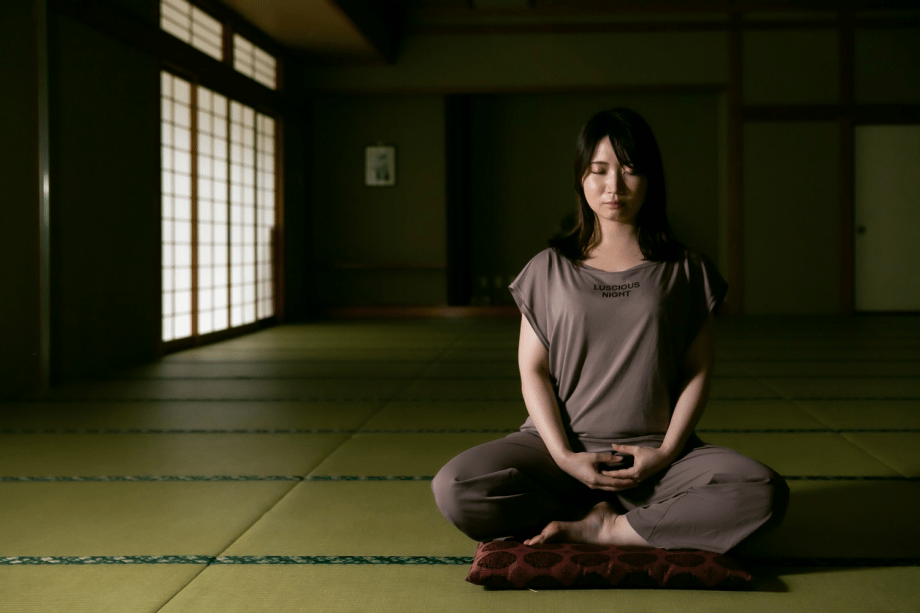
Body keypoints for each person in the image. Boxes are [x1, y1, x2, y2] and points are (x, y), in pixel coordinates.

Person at [432, 108, 789, 554]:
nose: (613, 186)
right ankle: (622, 517)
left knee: (762, 490)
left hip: (653, 458)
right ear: (581, 177)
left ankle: (609, 528)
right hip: (557, 454)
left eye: (630, 169)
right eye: (599, 170)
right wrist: (565, 457)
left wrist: (666, 453)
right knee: (456, 486)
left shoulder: (685, 269)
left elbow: (698, 372)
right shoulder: (547, 268)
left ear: (651, 178)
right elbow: (533, 372)